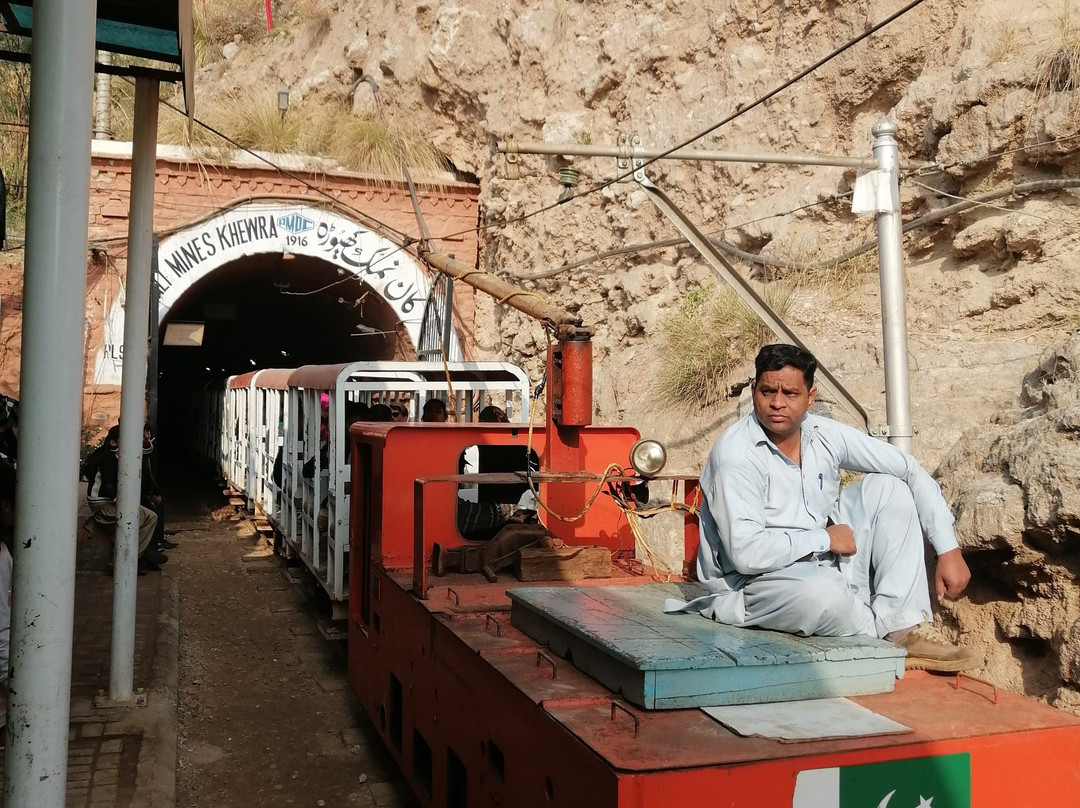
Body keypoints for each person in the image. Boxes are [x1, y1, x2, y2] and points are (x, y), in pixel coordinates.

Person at [666, 344, 980, 672]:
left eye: (790, 393)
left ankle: (900, 628)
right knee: (819, 594)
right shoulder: (736, 455)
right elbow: (746, 554)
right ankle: (882, 628)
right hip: (756, 583)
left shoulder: (822, 434)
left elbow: (908, 468)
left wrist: (948, 549)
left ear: (810, 397)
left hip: (825, 560)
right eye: (767, 391)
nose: (777, 403)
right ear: (754, 389)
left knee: (892, 489)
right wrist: (825, 539)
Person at [83, 425, 167, 574]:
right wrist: (122, 503)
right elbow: (108, 485)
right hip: (103, 505)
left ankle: (137, 555)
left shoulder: (120, 456)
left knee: (150, 517)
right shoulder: (108, 457)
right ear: (114, 442)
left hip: (112, 503)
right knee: (135, 521)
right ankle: (128, 559)